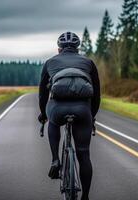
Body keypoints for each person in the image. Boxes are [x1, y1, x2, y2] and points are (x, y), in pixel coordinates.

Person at [38, 31, 100, 200]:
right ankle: (85, 197)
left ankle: (55, 159)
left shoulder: (49, 63)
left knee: (53, 122)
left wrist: (43, 114)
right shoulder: (88, 63)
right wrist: (91, 116)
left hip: (57, 109)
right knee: (84, 154)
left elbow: (43, 95)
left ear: (59, 49)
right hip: (82, 110)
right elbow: (96, 95)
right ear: (77, 49)